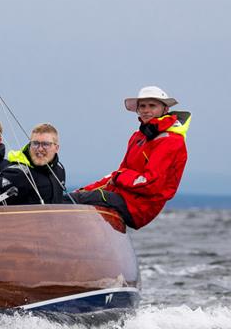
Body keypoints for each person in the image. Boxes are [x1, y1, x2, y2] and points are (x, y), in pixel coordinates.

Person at [71, 85, 191, 229]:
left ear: (165, 109)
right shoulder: (138, 137)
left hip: (139, 208)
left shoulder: (171, 141)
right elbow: (116, 175)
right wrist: (84, 190)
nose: (146, 110)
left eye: (152, 106)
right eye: (142, 106)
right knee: (74, 197)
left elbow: (150, 183)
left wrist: (120, 177)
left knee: (76, 200)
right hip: (123, 198)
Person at [0, 123, 66, 205]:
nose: (40, 149)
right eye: (35, 143)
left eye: (45, 144)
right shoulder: (16, 174)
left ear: (56, 148)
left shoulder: (59, 169)